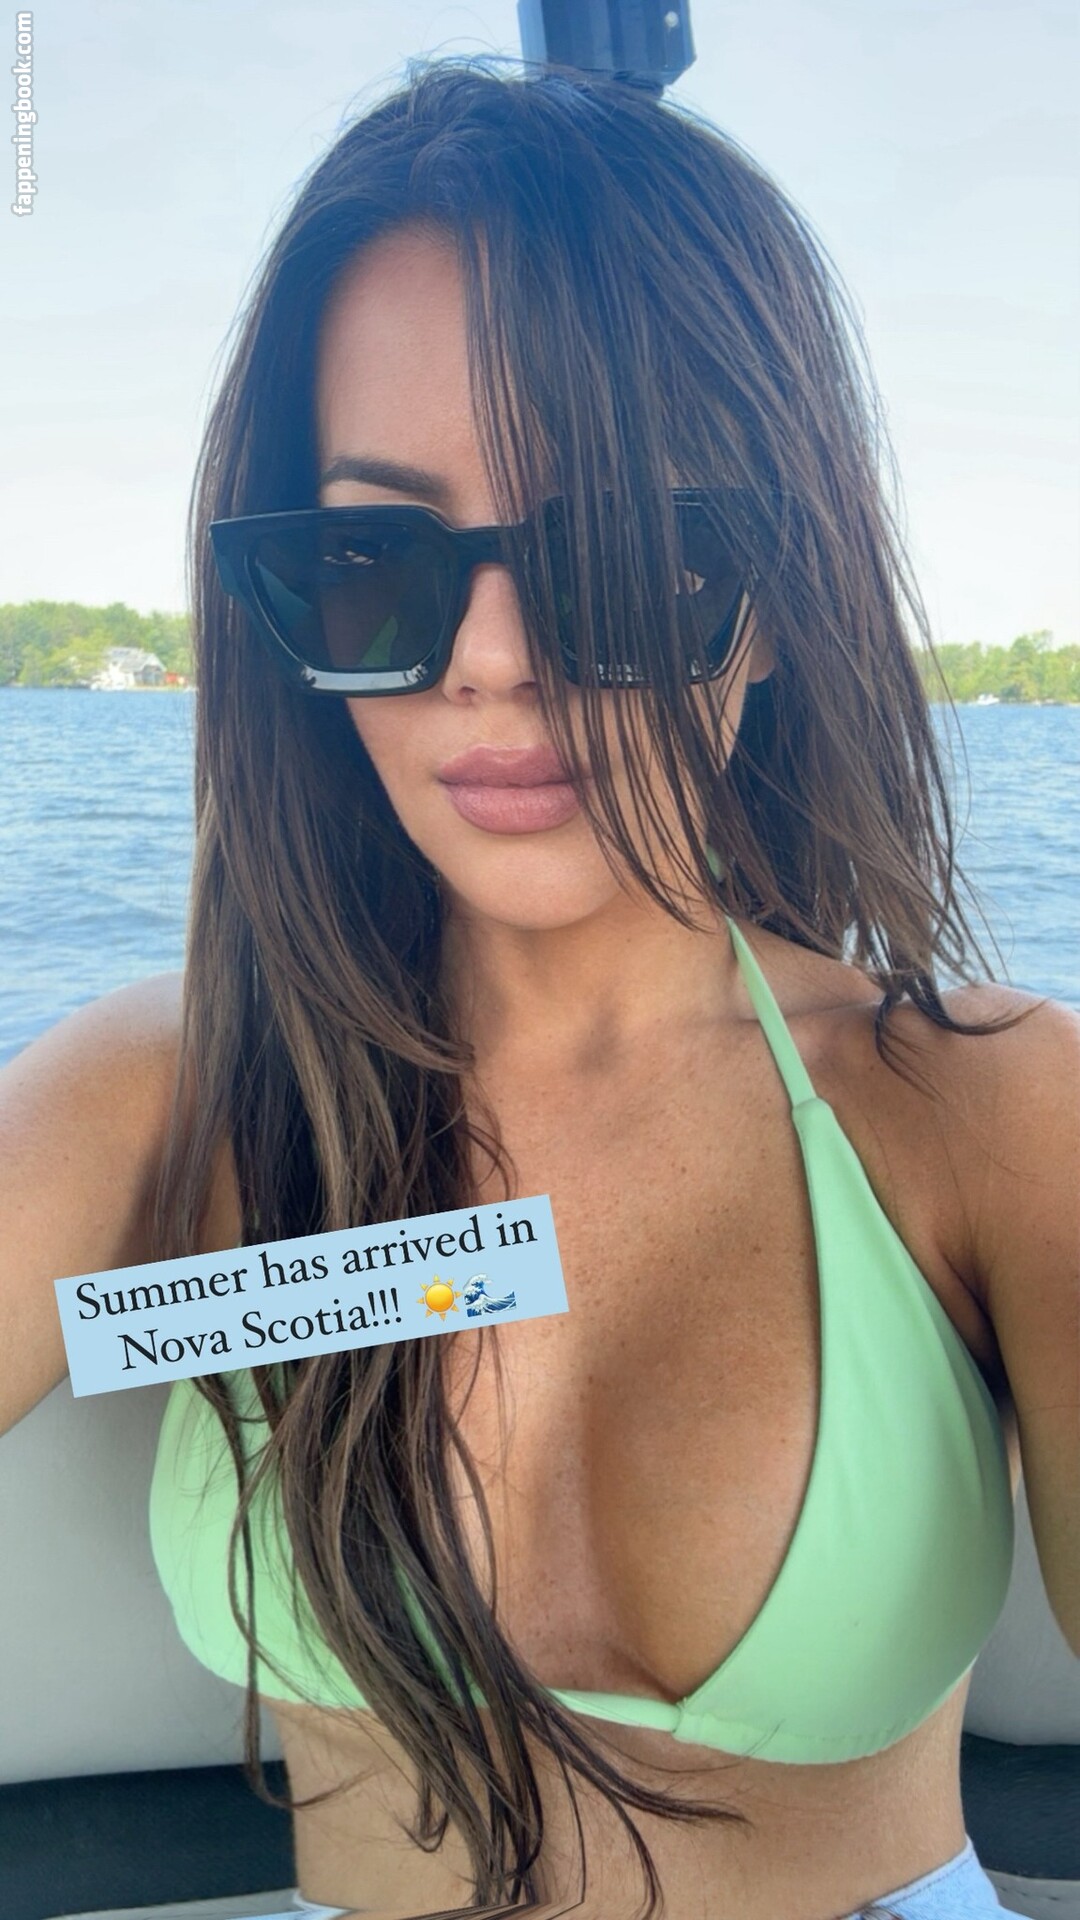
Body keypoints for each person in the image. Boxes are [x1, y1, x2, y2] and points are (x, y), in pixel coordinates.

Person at [2, 54, 1076, 1920]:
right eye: (372, 557)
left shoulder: (981, 1109)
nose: (491, 660)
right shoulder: (174, 1096)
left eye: (621, 551)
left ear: (777, 584)